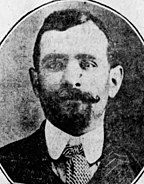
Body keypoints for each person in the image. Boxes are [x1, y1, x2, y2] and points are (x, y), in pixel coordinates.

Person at [0, 7, 143, 184]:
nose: (71, 79)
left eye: (88, 63)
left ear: (113, 81)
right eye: (54, 64)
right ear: (36, 82)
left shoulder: (136, 170)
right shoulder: (5, 166)